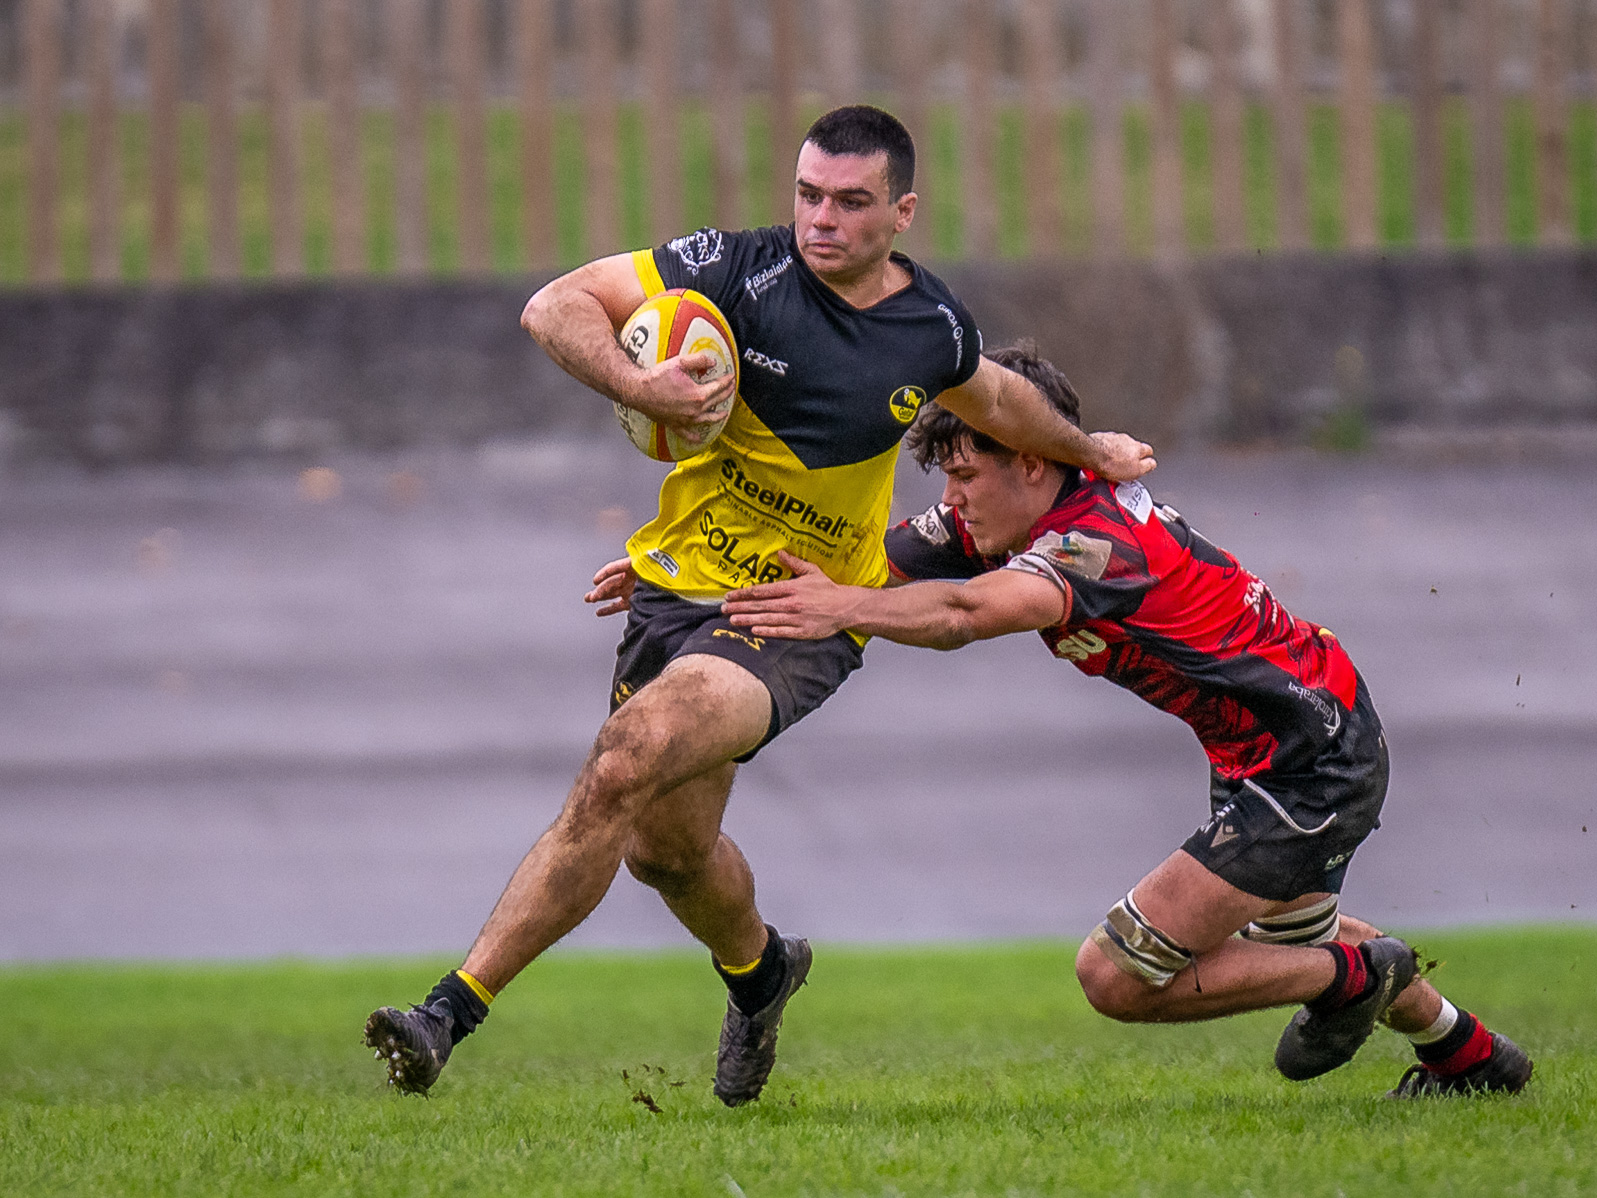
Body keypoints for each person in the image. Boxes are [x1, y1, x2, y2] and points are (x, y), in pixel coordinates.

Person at [362, 107, 1155, 1105]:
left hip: (796, 611)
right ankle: (762, 971)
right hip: (673, 589)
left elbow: (997, 398)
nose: (821, 219)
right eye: (808, 194)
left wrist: (1093, 452)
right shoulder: (736, 271)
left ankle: (446, 1012)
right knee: (666, 850)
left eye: (851, 202)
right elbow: (557, 305)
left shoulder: (930, 329)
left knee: (626, 757)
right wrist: (640, 383)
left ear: (902, 212)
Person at [710, 343, 1534, 1097]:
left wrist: (842, 608)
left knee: (1117, 974)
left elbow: (964, 612)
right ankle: (1470, 1057)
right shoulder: (1017, 515)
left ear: (1032, 462)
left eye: (966, 475)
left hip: (1311, 753)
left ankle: (1350, 982)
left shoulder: (1095, 541)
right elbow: (866, 563)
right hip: (1278, 742)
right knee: (1290, 944)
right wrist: (689, 584)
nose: (952, 499)